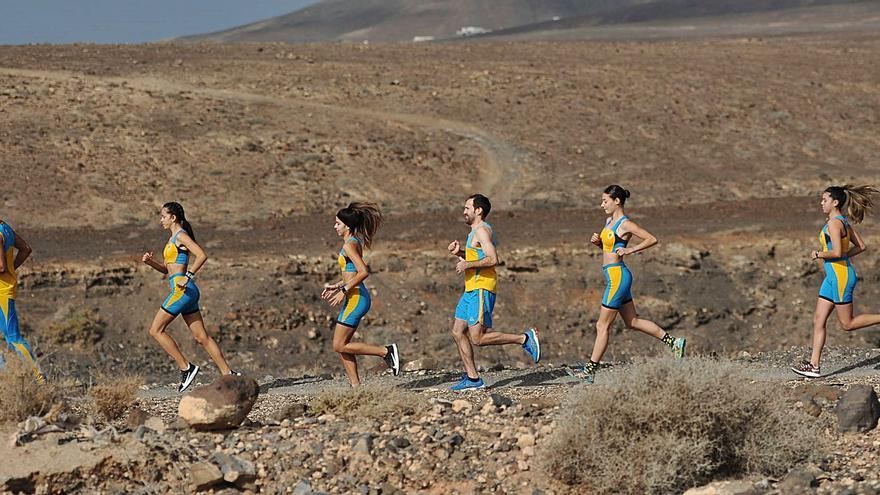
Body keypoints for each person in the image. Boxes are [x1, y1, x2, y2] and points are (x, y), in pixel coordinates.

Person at [579, 185, 686, 384]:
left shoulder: (625, 223)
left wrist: (631, 250)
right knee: (632, 322)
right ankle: (674, 342)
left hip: (618, 277)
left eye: (605, 201)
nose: (602, 205)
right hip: (616, 276)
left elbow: (651, 239)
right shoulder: (609, 221)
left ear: (616, 201)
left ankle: (590, 370)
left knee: (602, 325)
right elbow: (611, 248)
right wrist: (599, 244)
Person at [447, 194, 540, 391]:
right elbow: (478, 255)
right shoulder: (475, 233)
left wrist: (467, 264)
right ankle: (473, 379)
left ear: (478, 210)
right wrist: (461, 254)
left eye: (467, 208)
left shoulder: (482, 231)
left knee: (478, 338)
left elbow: (493, 258)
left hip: (482, 287)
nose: (464, 211)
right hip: (470, 288)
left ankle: (524, 338)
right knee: (457, 331)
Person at [141, 202, 237, 393]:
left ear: (173, 217)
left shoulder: (181, 236)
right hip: (186, 291)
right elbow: (168, 271)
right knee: (202, 337)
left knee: (155, 330)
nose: (161, 220)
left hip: (182, 291)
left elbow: (202, 255)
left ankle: (187, 368)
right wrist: (151, 263)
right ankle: (228, 374)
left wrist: (189, 276)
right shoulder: (172, 240)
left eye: (163, 216)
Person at [792, 185, 880, 378]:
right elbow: (861, 246)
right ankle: (814, 365)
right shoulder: (842, 222)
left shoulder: (834, 224)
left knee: (847, 324)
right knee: (818, 319)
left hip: (841, 277)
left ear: (835, 202)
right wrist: (842, 257)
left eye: (824, 200)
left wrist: (819, 254)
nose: (821, 203)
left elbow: (838, 252)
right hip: (831, 278)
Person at [322, 202, 400, 386]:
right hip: (354, 296)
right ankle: (356, 387)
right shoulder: (353, 242)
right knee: (343, 345)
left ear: (347, 226)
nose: (335, 227)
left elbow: (364, 271)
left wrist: (344, 290)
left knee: (338, 345)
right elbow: (352, 272)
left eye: (337, 223)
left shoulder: (350, 245)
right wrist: (338, 285)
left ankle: (386, 351)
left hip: (356, 298)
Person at [0, 218, 44, 382]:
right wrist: (12, 269)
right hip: (5, 288)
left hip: (1, 292)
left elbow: (1, 267)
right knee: (11, 337)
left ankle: (39, 378)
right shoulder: (5, 228)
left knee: (13, 337)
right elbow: (25, 249)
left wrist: (8, 269)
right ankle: (8, 378)